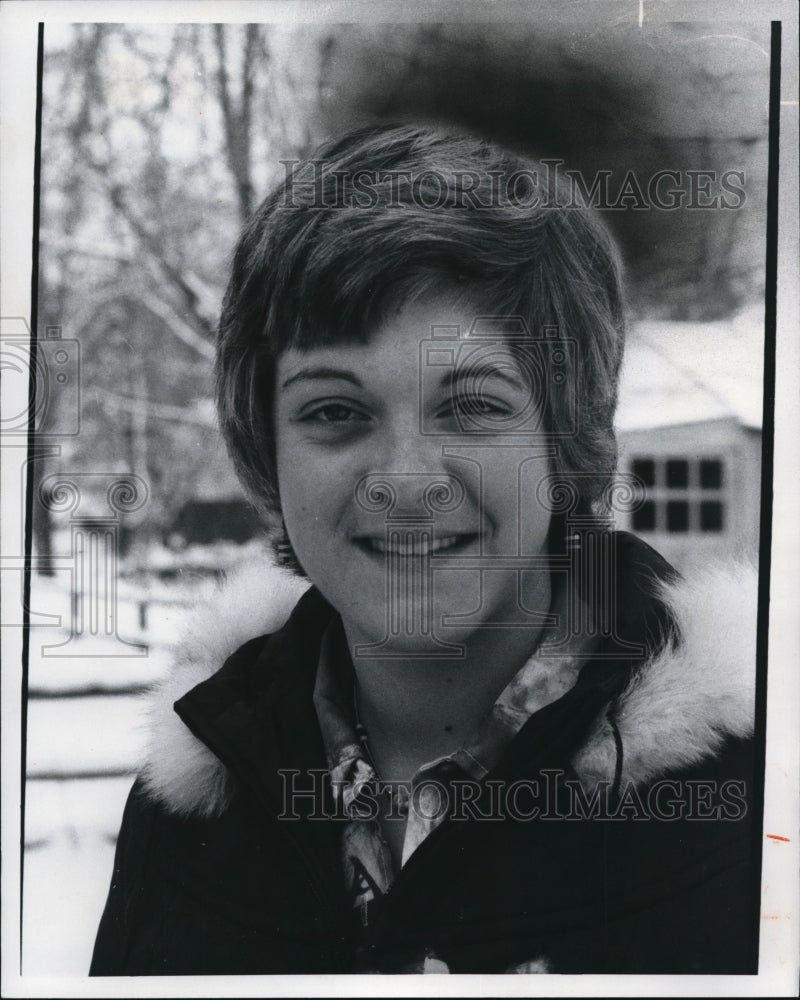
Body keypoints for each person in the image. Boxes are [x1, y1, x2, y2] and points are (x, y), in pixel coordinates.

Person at [90, 123, 759, 976]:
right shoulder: (195, 803)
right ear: (268, 449)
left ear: (565, 439)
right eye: (335, 411)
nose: (405, 479)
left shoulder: (754, 803)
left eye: (472, 406)